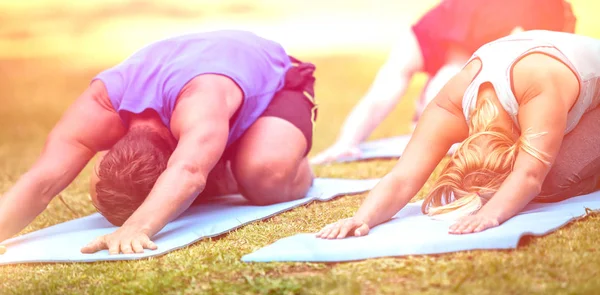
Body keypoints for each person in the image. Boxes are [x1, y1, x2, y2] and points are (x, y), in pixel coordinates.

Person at [0, 30, 318, 254]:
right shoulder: (101, 105)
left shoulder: (198, 100)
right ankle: (223, 160)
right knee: (127, 186)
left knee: (264, 176)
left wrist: (136, 227)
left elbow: (189, 170)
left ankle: (297, 165)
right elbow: (40, 181)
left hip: (276, 84)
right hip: (208, 105)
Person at [316, 30, 600, 239]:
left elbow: (528, 176)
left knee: (552, 179)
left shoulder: (538, 88)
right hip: (547, 77)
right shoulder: (450, 105)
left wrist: (491, 214)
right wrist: (361, 218)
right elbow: (402, 177)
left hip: (571, 85)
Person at [310, 0, 576, 164]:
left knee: (435, 76)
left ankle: (349, 141)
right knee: (407, 75)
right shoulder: (446, 32)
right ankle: (347, 141)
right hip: (461, 22)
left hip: (487, 23)